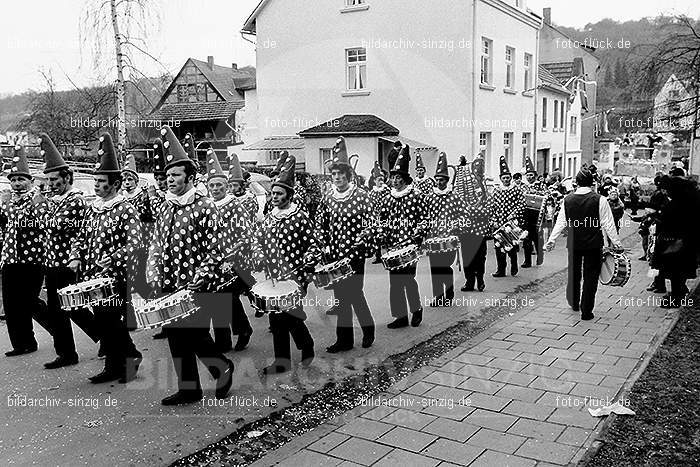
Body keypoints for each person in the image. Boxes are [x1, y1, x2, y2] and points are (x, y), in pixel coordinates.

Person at [148, 126, 234, 405]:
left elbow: (216, 247)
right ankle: (189, 388)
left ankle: (222, 368)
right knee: (175, 336)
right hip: (170, 284)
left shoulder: (205, 206)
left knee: (195, 335)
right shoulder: (166, 206)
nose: (169, 180)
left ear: (190, 176)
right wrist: (153, 273)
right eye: (167, 175)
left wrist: (202, 275)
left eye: (175, 175)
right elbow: (157, 244)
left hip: (198, 284)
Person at [69, 133, 143, 383]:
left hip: (117, 277)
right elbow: (80, 237)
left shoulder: (125, 208)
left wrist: (113, 258)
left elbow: (136, 243)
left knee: (111, 320)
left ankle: (130, 357)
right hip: (93, 276)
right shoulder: (93, 208)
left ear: (114, 184)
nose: (97, 186)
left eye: (102, 182)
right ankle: (113, 366)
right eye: (96, 181)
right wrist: (76, 256)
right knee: (103, 321)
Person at [38, 134, 100, 368]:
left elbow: (55, 225)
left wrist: (41, 209)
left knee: (71, 307)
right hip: (52, 262)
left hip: (68, 262)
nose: (52, 183)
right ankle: (67, 352)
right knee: (59, 310)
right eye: (50, 179)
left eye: (55, 179)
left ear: (67, 177)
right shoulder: (54, 200)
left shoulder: (75, 200)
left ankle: (105, 337)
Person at [253, 154, 318, 374]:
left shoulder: (299, 217)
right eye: (273, 193)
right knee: (276, 317)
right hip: (273, 276)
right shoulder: (270, 217)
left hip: (295, 276)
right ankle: (282, 361)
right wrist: (258, 255)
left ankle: (306, 344)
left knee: (290, 315)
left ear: (289, 195)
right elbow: (258, 240)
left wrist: (308, 262)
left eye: (279, 193)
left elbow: (314, 244)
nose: (274, 197)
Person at [315, 137, 375, 353]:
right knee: (340, 297)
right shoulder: (328, 196)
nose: (337, 177)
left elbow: (372, 225)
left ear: (349, 175)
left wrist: (360, 243)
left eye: (341, 174)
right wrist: (323, 244)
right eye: (334, 174)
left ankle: (368, 329)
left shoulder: (361, 196)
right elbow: (321, 222)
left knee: (355, 294)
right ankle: (344, 340)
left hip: (354, 255)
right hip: (334, 256)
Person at [545, 168, 622, 320]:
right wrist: (617, 242)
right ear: (592, 182)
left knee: (574, 272)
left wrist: (551, 239)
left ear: (577, 183)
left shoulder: (568, 199)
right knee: (591, 276)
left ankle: (574, 302)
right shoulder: (600, 199)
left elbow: (561, 222)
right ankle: (586, 311)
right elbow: (608, 224)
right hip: (593, 243)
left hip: (574, 242)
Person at [1, 143, 50, 357]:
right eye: (13, 180)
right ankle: (22, 343)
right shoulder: (9, 201)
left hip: (32, 259)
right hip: (10, 259)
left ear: (30, 181)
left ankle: (59, 331)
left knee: (30, 302)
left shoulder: (37, 200)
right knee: (12, 304)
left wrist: (7, 206)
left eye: (21, 179)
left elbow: (36, 224)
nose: (17, 184)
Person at [377, 145, 427, 328]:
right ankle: (400, 317)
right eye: (393, 177)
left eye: (398, 177)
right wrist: (382, 237)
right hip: (393, 247)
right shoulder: (387, 198)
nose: (395, 180)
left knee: (408, 280)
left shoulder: (416, 196)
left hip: (410, 247)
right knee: (395, 283)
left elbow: (424, 218)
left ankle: (416, 310)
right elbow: (381, 221)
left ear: (405, 178)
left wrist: (418, 234)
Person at [651, 175, 700, 308]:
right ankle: (679, 292)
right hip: (686, 243)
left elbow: (669, 222)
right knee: (679, 271)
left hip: (675, 243)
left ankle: (676, 298)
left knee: (674, 271)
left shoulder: (676, 205)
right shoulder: (692, 202)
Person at [424, 152, 464, 306]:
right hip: (433, 238)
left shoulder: (454, 196)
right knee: (435, 268)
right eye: (437, 180)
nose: (439, 182)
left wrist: (456, 226)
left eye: (442, 180)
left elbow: (463, 214)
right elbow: (425, 215)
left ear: (447, 181)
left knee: (445, 267)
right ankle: (437, 297)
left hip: (449, 238)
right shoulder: (430, 197)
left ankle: (449, 293)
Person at [454, 156, 490, 292]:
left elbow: (487, 209)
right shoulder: (464, 190)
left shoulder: (485, 190)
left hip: (480, 230)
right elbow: (459, 208)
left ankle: (480, 280)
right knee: (468, 257)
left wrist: (472, 210)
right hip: (466, 230)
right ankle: (469, 282)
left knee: (480, 258)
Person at [491, 156, 525, 277]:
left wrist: (514, 214)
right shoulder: (496, 190)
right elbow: (492, 206)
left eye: (508, 178)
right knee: (499, 247)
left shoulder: (516, 190)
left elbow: (521, 204)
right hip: (499, 223)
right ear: (500, 179)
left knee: (511, 247)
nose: (506, 180)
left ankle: (514, 265)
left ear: (510, 178)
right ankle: (501, 269)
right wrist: (494, 220)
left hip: (511, 224)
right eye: (504, 178)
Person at [521, 157, 545, 268]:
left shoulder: (541, 186)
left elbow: (547, 198)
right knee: (526, 239)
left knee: (536, 238)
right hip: (526, 217)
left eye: (531, 175)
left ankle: (540, 257)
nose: (529, 177)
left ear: (535, 176)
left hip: (537, 217)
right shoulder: (523, 187)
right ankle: (527, 261)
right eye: (528, 175)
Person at [368, 164, 389, 264]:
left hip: (386, 216)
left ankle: (389, 254)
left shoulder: (387, 191)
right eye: (378, 179)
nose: (380, 181)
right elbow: (369, 206)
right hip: (375, 217)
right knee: (376, 236)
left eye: (382, 179)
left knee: (387, 235)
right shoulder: (371, 193)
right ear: (374, 180)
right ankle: (378, 255)